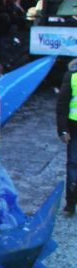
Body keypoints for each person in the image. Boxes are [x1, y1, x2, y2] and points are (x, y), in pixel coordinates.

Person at [57, 57, 77, 215]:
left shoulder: (72, 76)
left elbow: (62, 105)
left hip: (74, 126)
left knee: (73, 165)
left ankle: (70, 205)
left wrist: (63, 130)